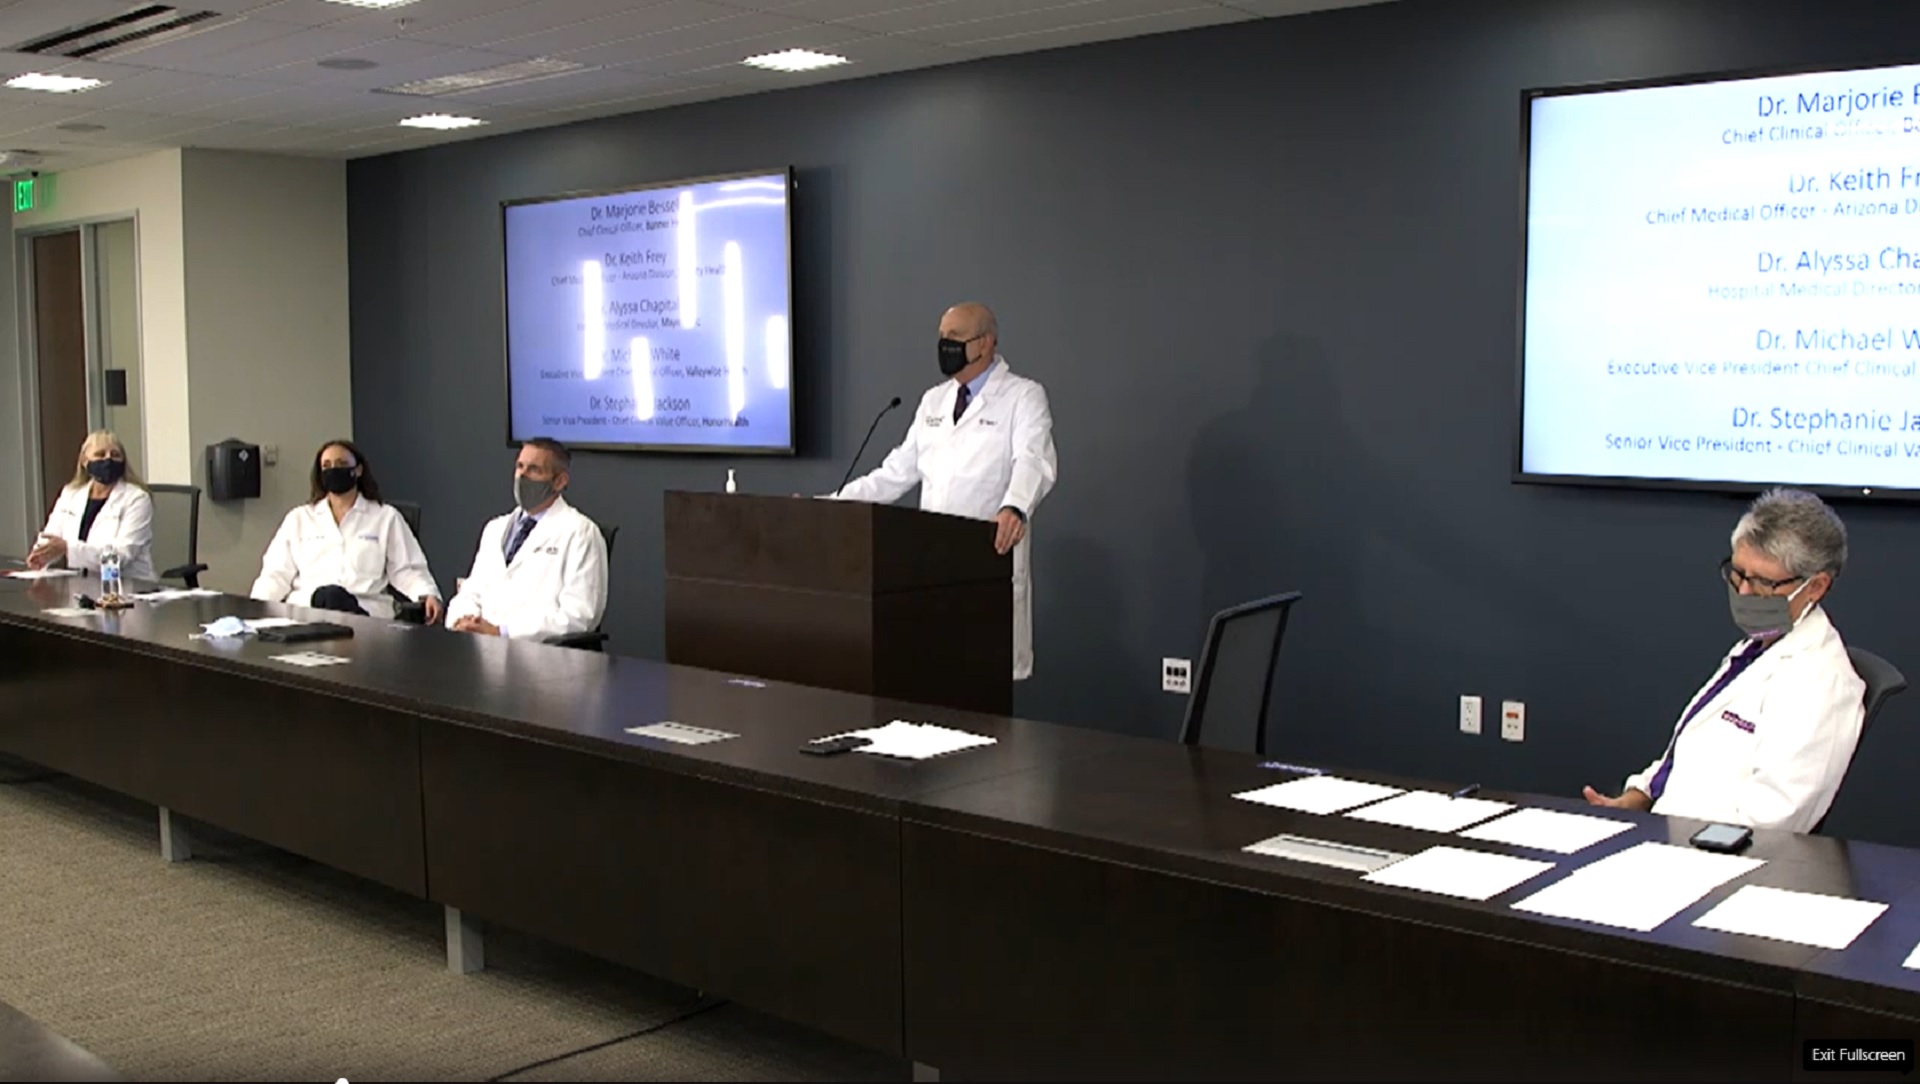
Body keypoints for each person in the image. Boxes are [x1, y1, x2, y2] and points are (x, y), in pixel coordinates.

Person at [1584, 488, 1866, 833]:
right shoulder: (1755, 649)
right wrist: (1635, 799)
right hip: (1667, 835)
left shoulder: (1820, 680)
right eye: (1738, 574)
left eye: (1762, 582)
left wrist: (1665, 847)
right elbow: (1690, 754)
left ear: (1816, 586)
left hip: (1713, 859)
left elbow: (1771, 821)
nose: (1744, 593)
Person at [830, 302, 1058, 679]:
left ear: (985, 343)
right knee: (933, 689)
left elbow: (1033, 459)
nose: (944, 345)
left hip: (987, 561)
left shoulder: (1023, 396)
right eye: (940, 336)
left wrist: (1014, 508)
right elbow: (894, 474)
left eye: (954, 337)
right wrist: (834, 505)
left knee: (985, 697)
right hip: (933, 566)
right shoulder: (933, 401)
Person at [250, 439, 442, 622]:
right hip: (307, 614)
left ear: (358, 470)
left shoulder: (385, 517)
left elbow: (407, 569)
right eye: (327, 465)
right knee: (327, 597)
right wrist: (252, 609)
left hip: (365, 617)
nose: (334, 469)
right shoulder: (299, 518)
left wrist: (428, 595)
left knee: (334, 599)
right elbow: (275, 574)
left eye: (341, 463)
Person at [445, 437, 608, 641]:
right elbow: (470, 591)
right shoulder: (495, 528)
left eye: (534, 470)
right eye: (520, 467)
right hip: (479, 650)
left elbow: (579, 616)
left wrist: (502, 632)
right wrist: (464, 621)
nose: (522, 476)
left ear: (560, 481)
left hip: (541, 659)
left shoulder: (581, 532)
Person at [28, 430, 155, 582]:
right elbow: (51, 537)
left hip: (127, 586)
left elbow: (121, 556)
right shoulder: (70, 494)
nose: (108, 459)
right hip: (81, 584)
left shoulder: (137, 498)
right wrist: (41, 555)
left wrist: (68, 548)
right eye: (100, 455)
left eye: (115, 455)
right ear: (84, 460)